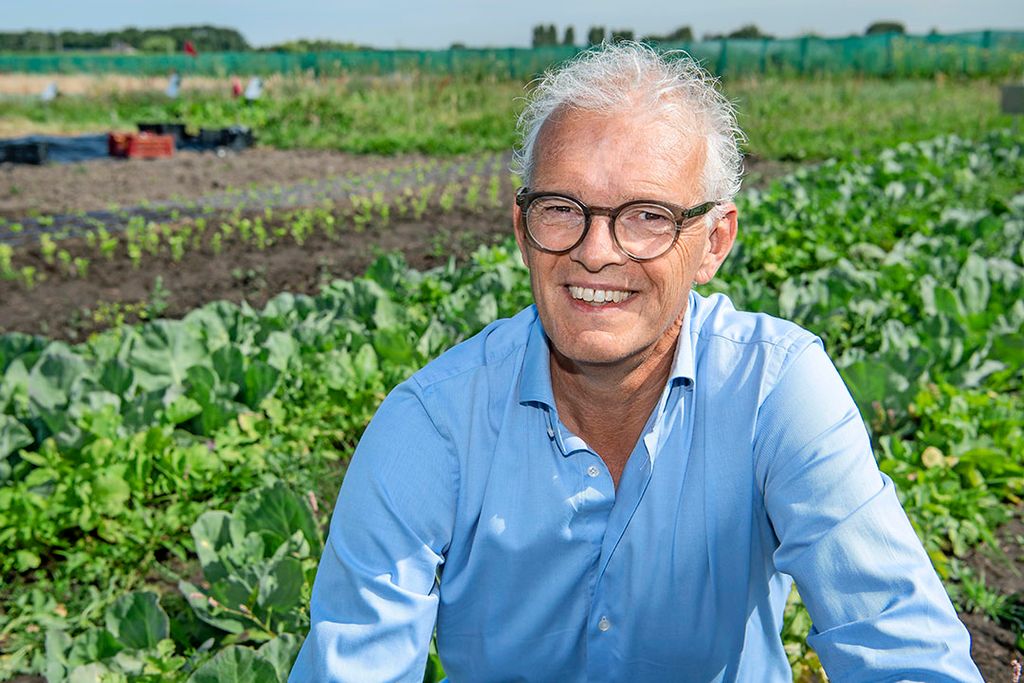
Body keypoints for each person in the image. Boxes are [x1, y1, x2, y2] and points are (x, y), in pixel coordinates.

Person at [290, 42, 982, 682]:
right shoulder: (432, 425)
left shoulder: (775, 390)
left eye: (648, 215)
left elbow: (900, 642)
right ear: (522, 231)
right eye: (563, 208)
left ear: (714, 241)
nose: (596, 251)